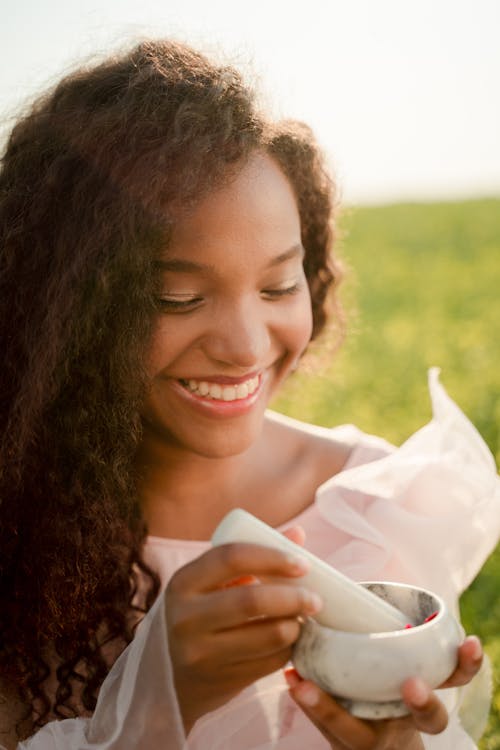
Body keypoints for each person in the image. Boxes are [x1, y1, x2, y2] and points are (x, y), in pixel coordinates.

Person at [0, 38, 498, 750]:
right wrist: (152, 707)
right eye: (175, 296)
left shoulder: (373, 509)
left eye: (277, 285)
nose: (244, 345)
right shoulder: (20, 536)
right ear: (64, 311)